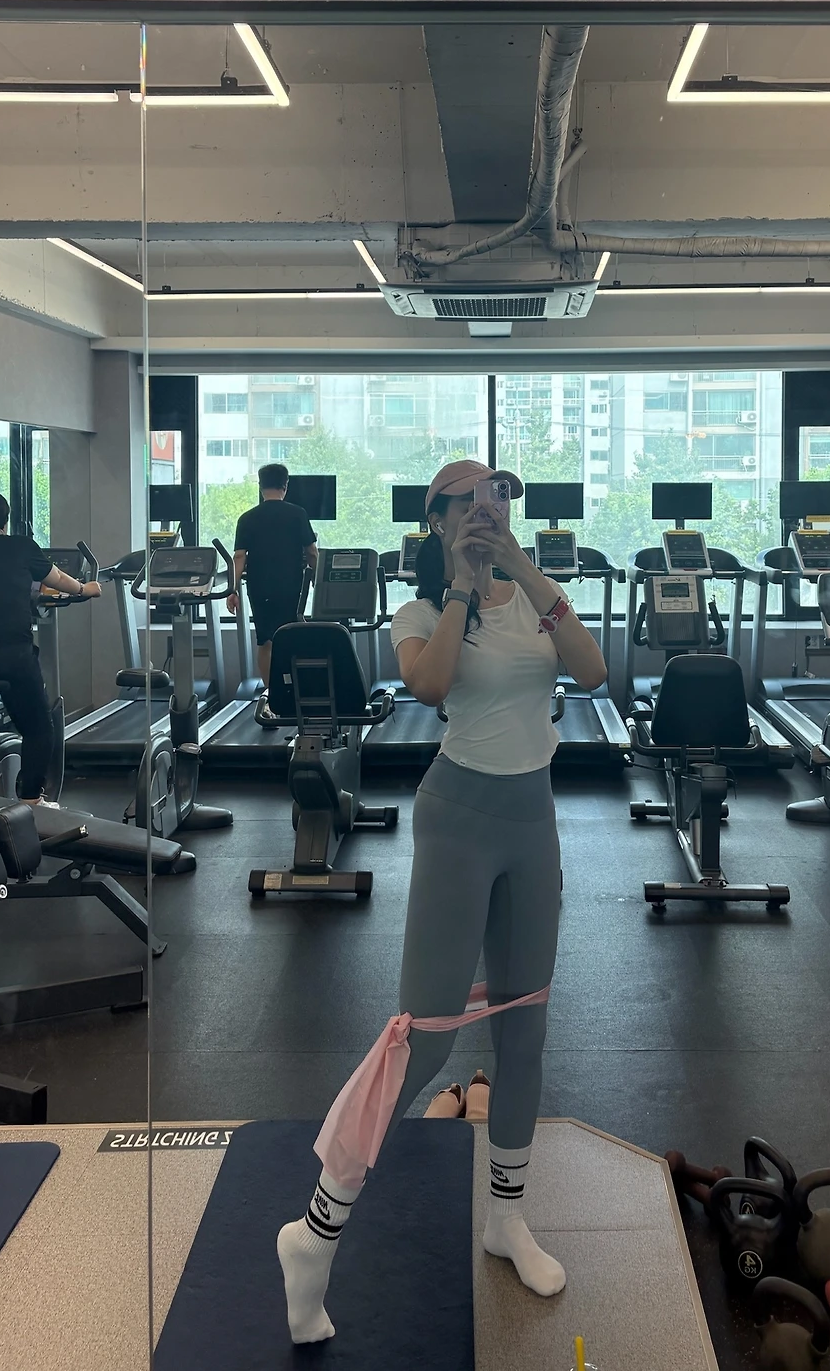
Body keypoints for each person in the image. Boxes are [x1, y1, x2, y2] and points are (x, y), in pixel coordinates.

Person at [276, 459, 608, 1345]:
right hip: (459, 818)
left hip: (532, 822)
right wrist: (463, 584)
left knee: (525, 1029)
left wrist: (521, 568)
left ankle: (507, 1219)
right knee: (422, 1039)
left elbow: (594, 672)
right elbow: (428, 687)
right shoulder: (419, 611)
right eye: (463, 501)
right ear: (434, 521)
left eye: (494, 497)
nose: (483, 509)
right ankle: (314, 1233)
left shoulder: (535, 598)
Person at [0, 488, 100, 800]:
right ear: (5, 520)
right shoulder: (22, 547)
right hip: (10, 660)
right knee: (38, 729)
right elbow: (59, 580)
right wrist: (86, 589)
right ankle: (32, 799)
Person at [227, 464, 318, 723]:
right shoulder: (298, 513)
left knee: (265, 640)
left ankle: (273, 695)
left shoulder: (247, 518)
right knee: (292, 635)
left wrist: (232, 590)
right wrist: (318, 580)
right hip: (291, 585)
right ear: (285, 486)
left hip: (260, 586)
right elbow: (312, 552)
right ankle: (295, 691)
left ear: (260, 486)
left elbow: (239, 557)